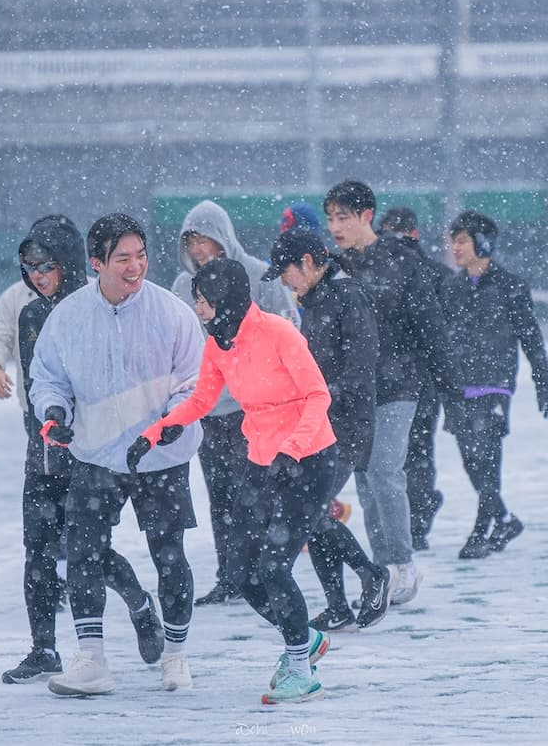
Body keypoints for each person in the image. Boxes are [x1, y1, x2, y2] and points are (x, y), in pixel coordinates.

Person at [132, 258, 339, 704]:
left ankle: (300, 668)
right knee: (241, 572)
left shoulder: (279, 333)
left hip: (309, 460)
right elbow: (203, 398)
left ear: (226, 297)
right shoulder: (220, 344)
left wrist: (293, 450)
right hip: (262, 462)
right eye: (198, 303)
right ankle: (305, 636)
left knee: (273, 566)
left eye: (204, 302)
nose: (200, 310)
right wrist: (158, 431)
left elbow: (318, 395)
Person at [29, 213, 204, 697]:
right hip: (97, 454)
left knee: (168, 555)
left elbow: (194, 380)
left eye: (141, 255)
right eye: (123, 258)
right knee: (82, 551)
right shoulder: (68, 316)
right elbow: (47, 377)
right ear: (96, 263)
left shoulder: (172, 313)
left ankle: (175, 656)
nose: (136, 267)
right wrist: (53, 412)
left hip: (161, 456)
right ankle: (92, 660)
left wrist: (171, 422)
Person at [0, 215, 162, 685]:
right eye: (30, 266)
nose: (38, 275)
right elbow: (38, 388)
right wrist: (44, 431)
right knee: (37, 550)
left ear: (68, 264)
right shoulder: (30, 315)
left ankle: (138, 602)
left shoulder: (94, 309)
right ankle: (43, 647)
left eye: (47, 265)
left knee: (85, 550)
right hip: (43, 451)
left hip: (90, 454)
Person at [321, 180, 452, 606]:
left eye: (344, 217)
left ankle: (401, 563)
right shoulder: (334, 267)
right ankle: (382, 569)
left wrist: (452, 392)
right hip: (352, 390)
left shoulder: (401, 261)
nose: (336, 226)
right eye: (331, 218)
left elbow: (431, 329)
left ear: (366, 216)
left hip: (399, 384)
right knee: (364, 478)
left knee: (383, 471)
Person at [171, 200, 300, 607]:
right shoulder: (181, 288)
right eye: (191, 242)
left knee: (258, 493)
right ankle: (228, 574)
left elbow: (288, 330)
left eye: (205, 239)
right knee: (220, 494)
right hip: (209, 409)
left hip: (255, 407)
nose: (199, 250)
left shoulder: (261, 276)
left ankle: (263, 570)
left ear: (223, 237)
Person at [263, 230, 392, 633]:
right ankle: (337, 604)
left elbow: (360, 366)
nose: (285, 282)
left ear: (306, 261)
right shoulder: (315, 298)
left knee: (309, 510)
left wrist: (320, 397)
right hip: (317, 422)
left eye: (286, 273)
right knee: (310, 511)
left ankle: (372, 575)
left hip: (345, 424)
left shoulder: (346, 296)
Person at [440, 211, 548, 559]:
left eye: (462, 241)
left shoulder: (510, 286)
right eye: (453, 241)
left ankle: (481, 529)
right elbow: (440, 340)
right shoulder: (450, 287)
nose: (455, 248)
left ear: (483, 243)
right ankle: (504, 518)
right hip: (459, 385)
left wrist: (543, 382)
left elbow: (531, 338)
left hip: (495, 383)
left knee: (487, 458)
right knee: (470, 461)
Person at [376, 205, 451, 551]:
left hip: (396, 377)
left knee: (395, 457)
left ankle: (412, 519)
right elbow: (444, 333)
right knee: (416, 452)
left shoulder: (378, 272)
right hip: (421, 378)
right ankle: (417, 518)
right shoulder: (436, 273)